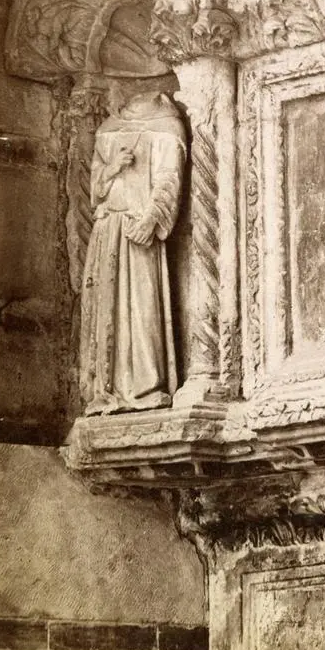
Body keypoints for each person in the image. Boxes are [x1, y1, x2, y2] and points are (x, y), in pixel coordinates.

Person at [80, 92, 186, 414]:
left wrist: (152, 218)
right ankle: (106, 390)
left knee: (142, 306)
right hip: (108, 228)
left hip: (138, 228)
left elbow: (169, 179)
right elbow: (95, 187)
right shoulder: (108, 127)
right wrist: (111, 168)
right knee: (105, 306)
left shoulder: (167, 125)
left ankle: (145, 387)